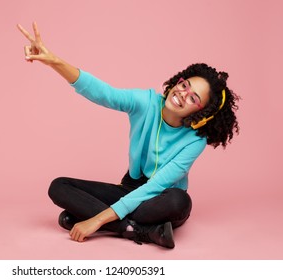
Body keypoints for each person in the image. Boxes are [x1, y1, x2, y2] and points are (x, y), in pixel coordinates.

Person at [17, 22, 240, 249]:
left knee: (179, 201)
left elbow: (156, 186)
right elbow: (104, 93)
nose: (183, 95)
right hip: (130, 188)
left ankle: (103, 221)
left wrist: (96, 219)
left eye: (194, 98)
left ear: (201, 112)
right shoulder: (145, 103)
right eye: (185, 86)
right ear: (178, 81)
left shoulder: (195, 140)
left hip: (161, 198)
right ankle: (140, 230)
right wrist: (55, 61)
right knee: (59, 186)